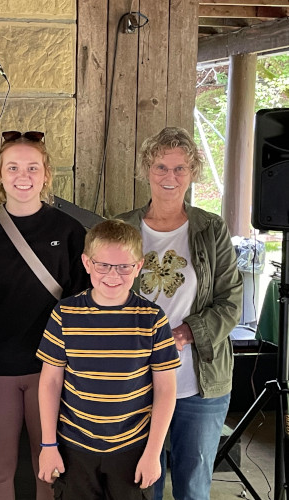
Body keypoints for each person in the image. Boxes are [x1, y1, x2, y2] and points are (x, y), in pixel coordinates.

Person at [0, 130, 90, 500]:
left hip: (55, 371)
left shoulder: (70, 231)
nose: (22, 175)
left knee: (51, 471)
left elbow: (82, 306)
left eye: (32, 167)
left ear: (46, 174)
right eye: (12, 167)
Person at [116, 126, 243, 500]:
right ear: (146, 170)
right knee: (142, 482)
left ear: (192, 173)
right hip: (136, 381)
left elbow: (231, 301)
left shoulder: (211, 229)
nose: (169, 177)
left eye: (180, 168)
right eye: (160, 167)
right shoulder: (121, 227)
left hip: (199, 381)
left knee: (193, 485)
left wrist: (186, 334)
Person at [36, 219, 180, 500]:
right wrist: (48, 444)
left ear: (138, 266)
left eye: (124, 266)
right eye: (103, 265)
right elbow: (50, 381)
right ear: (87, 263)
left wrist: (153, 453)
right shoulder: (65, 313)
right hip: (74, 448)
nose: (113, 275)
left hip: (132, 449)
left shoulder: (152, 318)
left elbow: (165, 389)